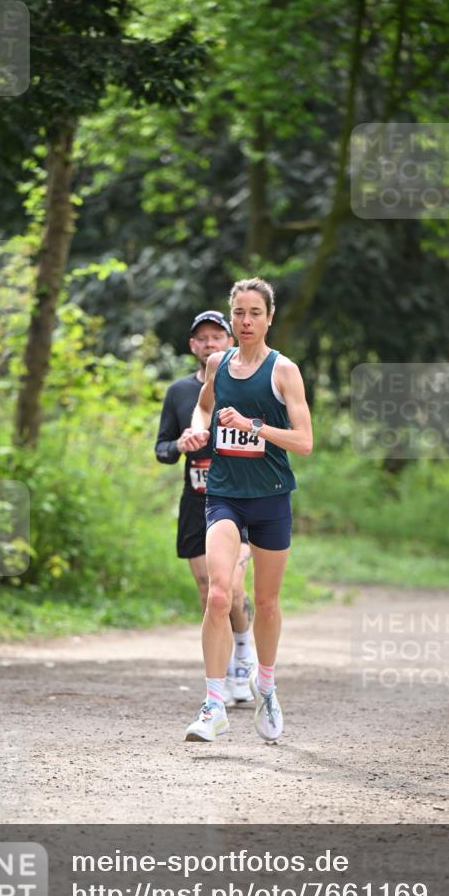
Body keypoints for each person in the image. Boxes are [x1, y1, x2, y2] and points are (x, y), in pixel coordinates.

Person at [179, 277, 313, 743]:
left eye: (255, 312)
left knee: (269, 604)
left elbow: (305, 441)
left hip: (272, 497)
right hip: (224, 495)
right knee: (219, 595)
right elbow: (202, 408)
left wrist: (256, 426)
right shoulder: (219, 362)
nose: (245, 321)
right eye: (238, 313)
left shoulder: (284, 371)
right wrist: (199, 430)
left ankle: (267, 686)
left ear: (269, 317)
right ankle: (213, 703)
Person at [155, 310, 258, 704]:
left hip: (239, 501)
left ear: (230, 342)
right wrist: (180, 445)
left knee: (231, 588)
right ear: (193, 346)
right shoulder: (179, 393)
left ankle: (244, 658)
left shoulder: (247, 387)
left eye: (218, 336)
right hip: (197, 505)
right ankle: (224, 672)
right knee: (207, 593)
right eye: (203, 338)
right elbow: (161, 449)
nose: (210, 343)